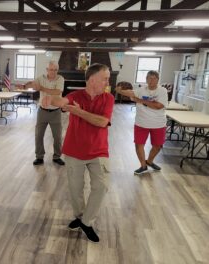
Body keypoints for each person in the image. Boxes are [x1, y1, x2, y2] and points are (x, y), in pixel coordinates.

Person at [42, 63, 114, 243]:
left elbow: (101, 122)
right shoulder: (76, 95)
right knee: (75, 190)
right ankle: (81, 217)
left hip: (99, 151)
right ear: (92, 79)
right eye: (105, 78)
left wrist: (79, 111)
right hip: (74, 151)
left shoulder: (108, 98)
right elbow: (63, 101)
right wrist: (51, 101)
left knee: (101, 186)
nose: (108, 81)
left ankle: (87, 222)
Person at [115, 70, 167, 175]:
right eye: (149, 78)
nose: (151, 80)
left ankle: (150, 161)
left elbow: (158, 106)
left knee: (158, 146)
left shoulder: (162, 91)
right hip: (141, 123)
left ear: (157, 79)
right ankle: (143, 166)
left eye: (154, 78)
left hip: (158, 123)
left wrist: (141, 101)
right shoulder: (141, 90)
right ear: (146, 79)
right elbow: (131, 92)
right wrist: (119, 91)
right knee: (139, 144)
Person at [22, 60, 65, 166]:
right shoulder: (41, 78)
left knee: (58, 136)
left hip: (56, 111)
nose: (53, 72)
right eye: (51, 70)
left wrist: (41, 88)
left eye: (55, 70)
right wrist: (25, 85)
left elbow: (57, 92)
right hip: (42, 111)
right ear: (47, 70)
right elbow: (34, 84)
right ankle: (39, 157)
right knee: (38, 135)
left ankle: (57, 156)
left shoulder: (60, 79)